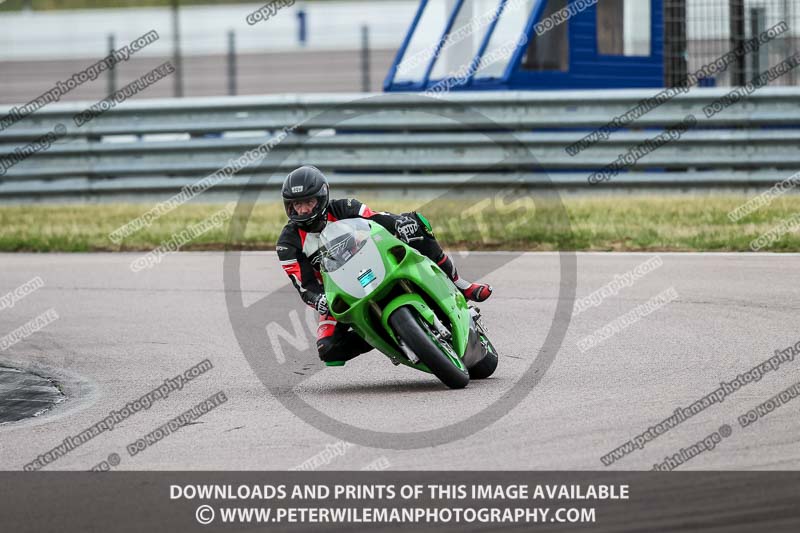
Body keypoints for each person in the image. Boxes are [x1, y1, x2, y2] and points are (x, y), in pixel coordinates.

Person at [276, 165, 492, 364]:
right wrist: (319, 299)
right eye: (297, 204)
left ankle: (460, 285)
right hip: (339, 292)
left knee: (417, 224)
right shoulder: (288, 243)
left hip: (376, 263)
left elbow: (378, 219)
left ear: (321, 198)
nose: (303, 210)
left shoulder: (345, 207)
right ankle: (383, 337)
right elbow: (304, 286)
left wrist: (400, 224)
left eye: (308, 202)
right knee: (328, 350)